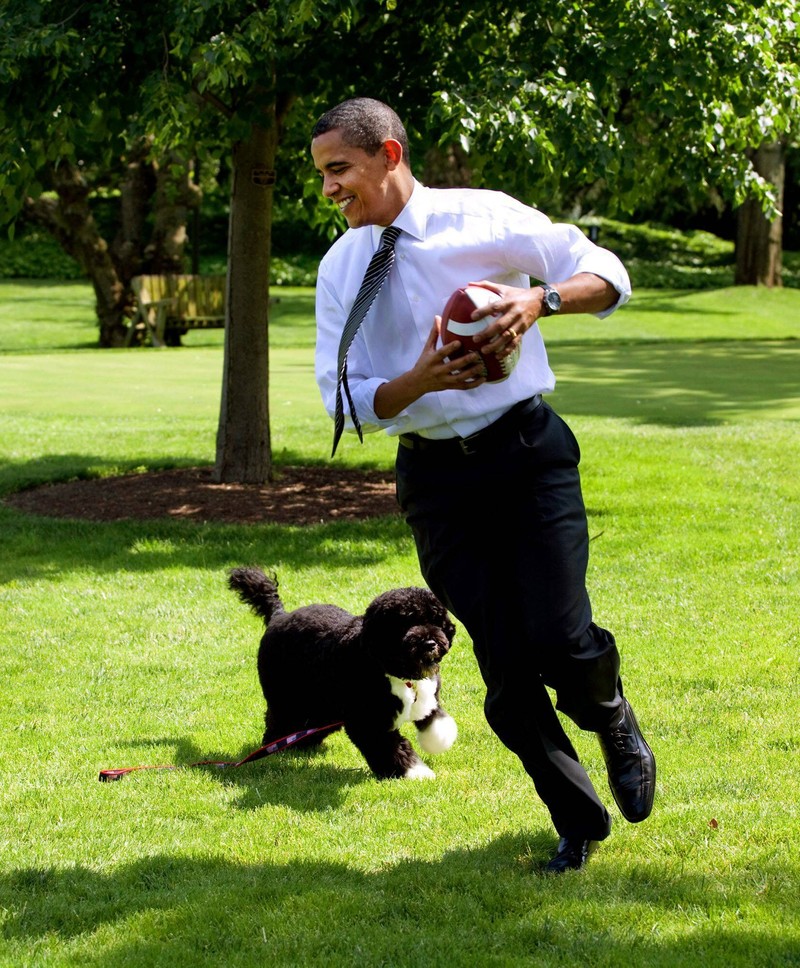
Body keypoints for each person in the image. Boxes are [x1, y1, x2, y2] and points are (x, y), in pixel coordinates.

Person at [311, 97, 655, 873]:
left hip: (527, 455)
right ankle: (577, 822)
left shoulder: (483, 217)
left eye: (340, 170)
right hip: (436, 483)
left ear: (390, 156)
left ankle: (612, 715)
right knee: (504, 670)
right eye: (323, 175)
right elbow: (342, 396)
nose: (330, 189)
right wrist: (417, 380)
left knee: (563, 643)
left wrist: (540, 300)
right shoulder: (340, 269)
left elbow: (607, 271)